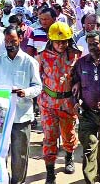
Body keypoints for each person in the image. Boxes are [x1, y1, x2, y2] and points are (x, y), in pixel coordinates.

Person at [0, 26, 42, 184]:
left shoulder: (29, 62)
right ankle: (2, 180)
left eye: (13, 40)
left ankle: (17, 181)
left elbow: (38, 87)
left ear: (20, 39)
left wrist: (25, 92)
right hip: (2, 116)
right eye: (7, 41)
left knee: (20, 154)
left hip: (21, 116)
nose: (9, 44)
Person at [38, 22, 81, 184]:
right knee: (49, 137)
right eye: (58, 42)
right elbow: (38, 77)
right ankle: (50, 172)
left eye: (65, 41)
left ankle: (69, 157)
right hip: (48, 103)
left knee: (68, 135)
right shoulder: (42, 55)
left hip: (68, 102)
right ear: (51, 40)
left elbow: (80, 75)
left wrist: (77, 83)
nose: (62, 45)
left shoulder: (77, 54)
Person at [71, 30, 100, 184]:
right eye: (89, 44)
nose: (92, 47)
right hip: (88, 114)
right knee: (90, 147)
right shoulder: (81, 62)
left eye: (95, 44)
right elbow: (73, 83)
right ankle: (90, 180)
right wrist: (75, 101)